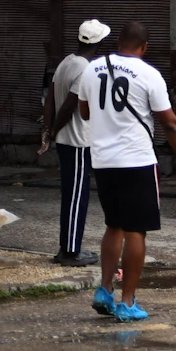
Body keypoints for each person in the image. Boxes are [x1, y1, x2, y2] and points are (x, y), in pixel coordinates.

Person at [76, 20, 176, 322]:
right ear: (144, 47)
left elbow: (85, 112)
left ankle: (104, 290)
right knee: (135, 231)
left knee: (114, 225)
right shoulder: (149, 74)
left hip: (102, 161)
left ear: (118, 44)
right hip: (137, 161)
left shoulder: (92, 69)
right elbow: (170, 123)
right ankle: (127, 303)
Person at [44, 19, 109, 267]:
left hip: (66, 140)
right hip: (78, 141)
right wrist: (52, 130)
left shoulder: (66, 63)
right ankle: (70, 251)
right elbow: (69, 106)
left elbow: (50, 99)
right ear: (98, 43)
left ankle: (69, 247)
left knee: (72, 195)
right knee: (76, 197)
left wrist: (48, 130)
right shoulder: (85, 70)